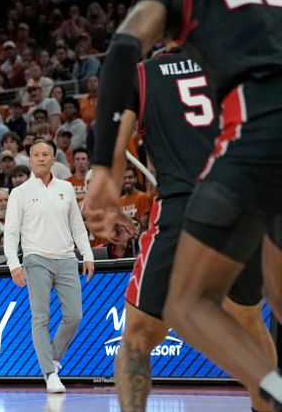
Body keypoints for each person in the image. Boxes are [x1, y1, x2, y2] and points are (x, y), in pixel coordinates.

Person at [85, 0, 282, 409]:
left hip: (219, 183)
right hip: (256, 191)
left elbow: (124, 48)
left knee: (174, 313)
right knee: (257, 313)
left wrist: (103, 168)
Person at [101, 48, 276, 412]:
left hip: (184, 208)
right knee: (247, 319)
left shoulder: (143, 74)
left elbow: (113, 145)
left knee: (136, 337)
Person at [4, 139, 94, 393]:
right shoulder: (19, 193)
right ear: (30, 160)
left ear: (54, 159)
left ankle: (53, 357)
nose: (41, 158)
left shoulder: (66, 188)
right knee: (40, 318)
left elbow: (77, 226)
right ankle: (49, 373)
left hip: (67, 259)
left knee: (74, 315)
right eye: (36, 155)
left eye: (46, 154)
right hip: (35, 259)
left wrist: (87, 255)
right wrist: (14, 264)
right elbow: (11, 234)